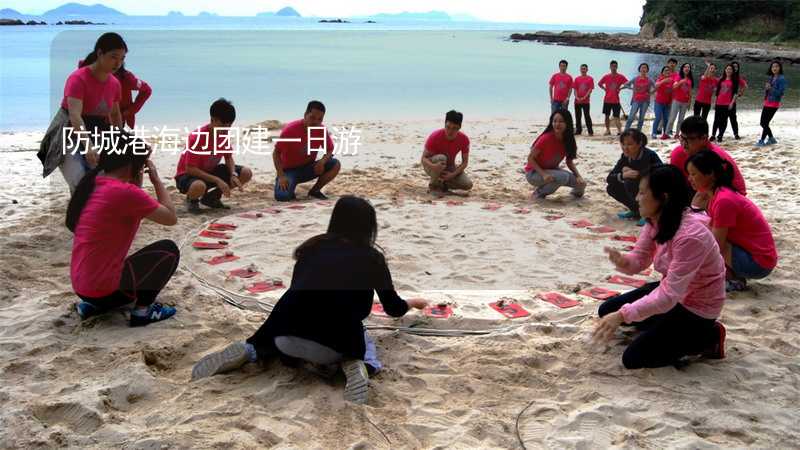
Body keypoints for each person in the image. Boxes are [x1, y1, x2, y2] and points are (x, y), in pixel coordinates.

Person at [191, 196, 429, 404]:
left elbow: (298, 291)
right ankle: (359, 365)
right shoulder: (373, 258)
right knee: (363, 338)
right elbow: (393, 308)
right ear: (369, 227)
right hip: (332, 346)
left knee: (297, 315)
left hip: (281, 337)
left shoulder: (311, 248)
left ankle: (250, 350)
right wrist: (413, 302)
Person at [593, 164, 726, 369]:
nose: (637, 198)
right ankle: (661, 327)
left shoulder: (691, 236)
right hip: (673, 293)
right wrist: (624, 261)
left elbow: (667, 297)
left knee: (633, 358)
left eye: (642, 192)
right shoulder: (655, 220)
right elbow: (640, 258)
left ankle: (710, 337)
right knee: (607, 310)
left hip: (696, 306)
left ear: (663, 197)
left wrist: (623, 315)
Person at [68, 131, 180, 327]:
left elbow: (133, 197)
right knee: (168, 250)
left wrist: (136, 178)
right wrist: (156, 180)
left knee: (115, 263)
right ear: (132, 163)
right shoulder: (124, 192)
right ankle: (143, 311)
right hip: (105, 292)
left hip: (82, 287)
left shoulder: (94, 184)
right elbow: (170, 217)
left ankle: (94, 306)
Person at [38, 32, 126, 193]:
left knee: (103, 181)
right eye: (114, 57)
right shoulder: (78, 78)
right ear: (100, 53)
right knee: (80, 182)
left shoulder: (114, 83)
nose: (118, 63)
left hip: (98, 132)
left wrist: (119, 139)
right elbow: (75, 115)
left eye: (122, 59)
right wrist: (88, 145)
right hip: (68, 133)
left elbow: (114, 114)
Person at [686, 150, 777, 292]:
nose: (689, 179)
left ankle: (731, 279)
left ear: (710, 174)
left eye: (693, 174)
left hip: (759, 263)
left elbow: (716, 245)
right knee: (702, 230)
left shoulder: (724, 200)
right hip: (754, 254)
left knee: (706, 239)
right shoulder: (716, 194)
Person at [174, 98, 253, 213]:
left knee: (246, 173)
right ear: (213, 120)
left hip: (209, 171)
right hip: (188, 175)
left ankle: (211, 198)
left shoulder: (223, 134)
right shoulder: (197, 137)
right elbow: (190, 169)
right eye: (223, 125)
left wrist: (233, 174)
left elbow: (228, 157)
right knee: (199, 186)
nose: (226, 129)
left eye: (229, 125)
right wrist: (217, 180)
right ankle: (192, 200)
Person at [669, 116, 746, 209]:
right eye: (682, 138)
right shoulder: (678, 154)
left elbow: (737, 191)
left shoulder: (715, 157)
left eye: (689, 139)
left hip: (727, 197)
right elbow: (675, 185)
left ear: (704, 138)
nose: (684, 144)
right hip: (698, 190)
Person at [274, 100, 341, 201]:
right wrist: (281, 175)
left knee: (335, 164)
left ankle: (315, 191)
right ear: (305, 115)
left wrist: (322, 161)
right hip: (288, 171)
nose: (316, 122)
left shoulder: (321, 130)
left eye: (320, 119)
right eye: (312, 118)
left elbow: (330, 149)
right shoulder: (290, 130)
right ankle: (289, 186)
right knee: (282, 197)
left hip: (308, 168)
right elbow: (276, 153)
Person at [524, 110, 586, 200]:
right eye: (554, 121)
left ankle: (573, 196)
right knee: (563, 177)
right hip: (534, 173)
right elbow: (530, 158)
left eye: (561, 121)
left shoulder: (568, 140)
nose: (557, 124)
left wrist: (578, 176)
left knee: (581, 185)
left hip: (552, 170)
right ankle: (538, 194)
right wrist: (544, 174)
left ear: (567, 123)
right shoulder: (546, 138)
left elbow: (569, 161)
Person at [606, 129, 662, 226]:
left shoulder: (649, 155)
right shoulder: (625, 157)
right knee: (611, 187)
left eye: (629, 144)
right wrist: (623, 175)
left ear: (639, 143)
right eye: (623, 144)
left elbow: (661, 173)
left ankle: (648, 214)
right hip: (637, 189)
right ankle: (635, 210)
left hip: (653, 190)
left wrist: (638, 174)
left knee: (630, 182)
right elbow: (609, 178)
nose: (625, 148)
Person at [421, 110, 473, 192]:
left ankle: (443, 184)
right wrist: (433, 166)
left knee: (467, 184)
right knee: (442, 158)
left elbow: (464, 162)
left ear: (459, 127)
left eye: (454, 128)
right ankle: (434, 185)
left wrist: (452, 175)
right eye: (448, 127)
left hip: (449, 167)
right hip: (433, 165)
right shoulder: (435, 136)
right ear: (445, 124)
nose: (450, 131)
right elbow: (423, 158)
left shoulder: (464, 139)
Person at [757, 61, 787, 147]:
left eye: (776, 66)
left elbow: (780, 93)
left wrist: (771, 88)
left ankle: (762, 140)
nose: (774, 68)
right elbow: (769, 91)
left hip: (774, 103)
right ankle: (771, 139)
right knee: (763, 123)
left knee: (764, 123)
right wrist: (767, 89)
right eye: (773, 66)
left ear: (780, 68)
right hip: (767, 102)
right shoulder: (771, 77)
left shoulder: (782, 79)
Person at [114, 64, 152, 129]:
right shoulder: (94, 77)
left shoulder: (126, 77)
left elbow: (147, 90)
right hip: (95, 120)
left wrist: (131, 110)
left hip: (117, 121)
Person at [598, 60, 628, 136]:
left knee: (616, 117)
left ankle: (619, 131)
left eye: (615, 66)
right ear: (610, 67)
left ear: (617, 67)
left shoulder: (620, 76)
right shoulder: (606, 76)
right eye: (612, 66)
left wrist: (621, 88)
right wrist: (604, 89)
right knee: (606, 116)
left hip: (616, 101)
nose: (614, 68)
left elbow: (628, 84)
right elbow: (599, 83)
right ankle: (607, 130)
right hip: (607, 100)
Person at [622, 63, 655, 131]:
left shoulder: (649, 79)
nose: (643, 69)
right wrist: (631, 88)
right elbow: (626, 84)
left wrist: (651, 93)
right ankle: (626, 131)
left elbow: (656, 86)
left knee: (641, 118)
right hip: (636, 100)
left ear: (647, 70)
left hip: (645, 101)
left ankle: (638, 132)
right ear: (639, 69)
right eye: (642, 67)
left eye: (645, 68)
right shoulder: (635, 78)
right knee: (631, 117)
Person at [710, 64, 738, 142]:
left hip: (727, 104)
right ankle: (713, 135)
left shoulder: (734, 81)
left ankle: (720, 135)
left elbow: (735, 93)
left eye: (730, 69)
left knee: (724, 120)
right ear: (725, 70)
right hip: (719, 103)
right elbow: (717, 93)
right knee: (716, 120)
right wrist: (714, 102)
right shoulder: (721, 80)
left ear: (732, 71)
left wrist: (732, 103)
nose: (728, 70)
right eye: (727, 69)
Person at [666, 63, 693, 139]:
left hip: (685, 102)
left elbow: (690, 92)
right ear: (682, 68)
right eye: (685, 67)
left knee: (681, 119)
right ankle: (666, 133)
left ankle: (677, 134)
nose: (687, 68)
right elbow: (674, 87)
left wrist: (689, 102)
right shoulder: (678, 77)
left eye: (688, 67)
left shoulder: (690, 80)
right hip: (676, 100)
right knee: (672, 118)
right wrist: (681, 81)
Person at [726, 61, 747, 140]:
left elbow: (744, 85)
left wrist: (740, 94)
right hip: (723, 101)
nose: (735, 68)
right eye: (733, 66)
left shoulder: (737, 78)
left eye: (736, 67)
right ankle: (718, 134)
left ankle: (736, 134)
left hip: (732, 100)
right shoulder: (727, 76)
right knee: (722, 118)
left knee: (733, 118)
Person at [652, 66, 674, 139]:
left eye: (668, 71)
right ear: (662, 72)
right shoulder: (660, 79)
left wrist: (671, 102)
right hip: (659, 102)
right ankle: (654, 133)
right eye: (665, 70)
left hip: (667, 103)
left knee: (666, 119)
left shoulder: (672, 80)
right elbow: (656, 85)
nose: (667, 72)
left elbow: (672, 92)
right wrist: (664, 81)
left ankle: (665, 133)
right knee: (658, 117)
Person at [573, 64, 595, 136]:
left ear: (587, 70)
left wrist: (584, 97)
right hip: (577, 101)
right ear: (580, 70)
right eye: (582, 69)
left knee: (587, 116)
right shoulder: (577, 79)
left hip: (586, 101)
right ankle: (578, 130)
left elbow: (590, 89)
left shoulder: (590, 78)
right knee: (578, 116)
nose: (583, 70)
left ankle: (590, 131)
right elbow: (575, 89)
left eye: (584, 69)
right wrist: (576, 97)